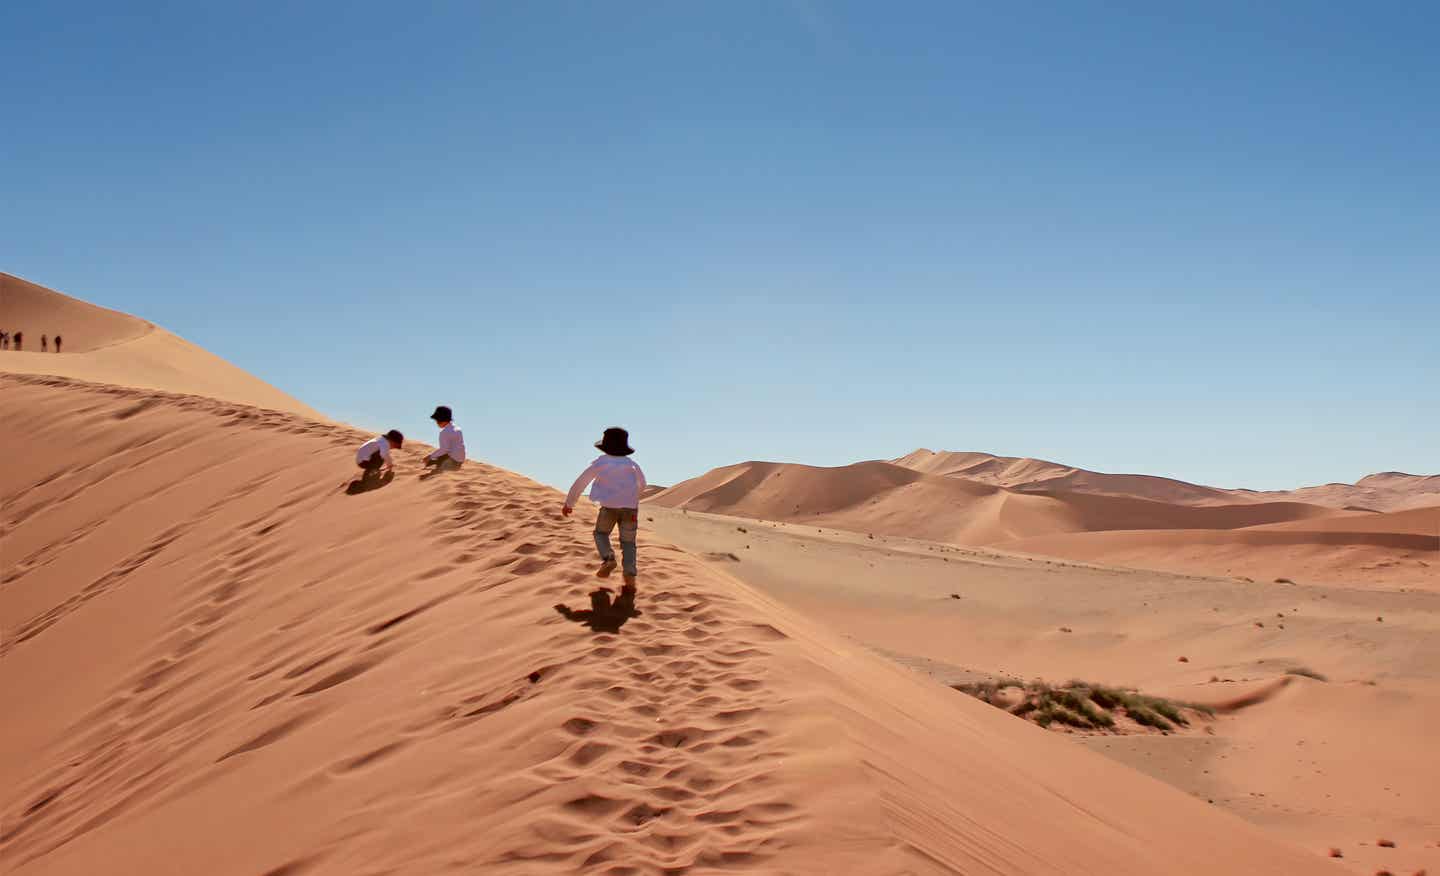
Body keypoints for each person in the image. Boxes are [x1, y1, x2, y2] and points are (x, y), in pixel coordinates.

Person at [562, 427, 646, 587]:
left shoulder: (601, 463)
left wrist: (569, 503)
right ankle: (630, 576)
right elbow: (643, 484)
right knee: (628, 543)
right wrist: (633, 497)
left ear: (606, 447)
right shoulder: (633, 465)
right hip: (631, 508)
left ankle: (608, 558)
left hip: (608, 508)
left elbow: (581, 482)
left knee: (600, 534)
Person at [423, 406, 466, 472]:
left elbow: (444, 449)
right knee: (438, 457)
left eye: (437, 420)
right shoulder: (457, 429)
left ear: (440, 420)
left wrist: (429, 456)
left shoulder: (444, 432)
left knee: (435, 470)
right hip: (460, 460)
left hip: (452, 462)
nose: (436, 422)